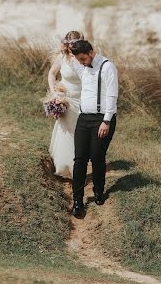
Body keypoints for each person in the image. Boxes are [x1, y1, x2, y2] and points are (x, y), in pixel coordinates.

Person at [68, 39, 118, 218]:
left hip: (101, 119)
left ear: (91, 52)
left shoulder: (107, 67)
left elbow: (112, 95)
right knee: (79, 159)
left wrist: (107, 121)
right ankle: (77, 201)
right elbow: (67, 57)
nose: (81, 63)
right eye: (79, 60)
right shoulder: (82, 65)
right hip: (83, 119)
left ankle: (98, 191)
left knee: (97, 157)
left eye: (82, 58)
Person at [47, 31, 84, 179]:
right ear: (66, 44)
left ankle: (80, 164)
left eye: (75, 44)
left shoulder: (85, 58)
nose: (72, 46)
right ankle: (65, 166)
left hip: (83, 100)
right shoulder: (62, 57)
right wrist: (55, 93)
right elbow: (51, 74)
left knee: (80, 132)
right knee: (67, 131)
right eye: (70, 44)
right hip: (66, 99)